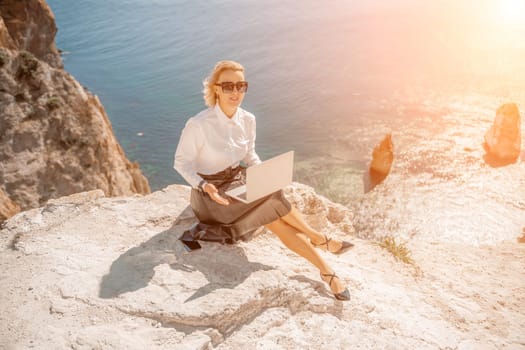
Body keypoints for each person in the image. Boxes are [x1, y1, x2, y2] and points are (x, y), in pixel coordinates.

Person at [174, 60, 354, 301]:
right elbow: (181, 163)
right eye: (228, 86)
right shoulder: (198, 124)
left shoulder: (248, 119)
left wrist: (264, 173)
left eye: (241, 86)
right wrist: (203, 185)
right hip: (211, 198)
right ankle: (320, 239)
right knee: (272, 199)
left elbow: (249, 156)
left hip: (237, 184)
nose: (235, 92)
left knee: (274, 215)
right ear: (216, 89)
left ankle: (327, 271)